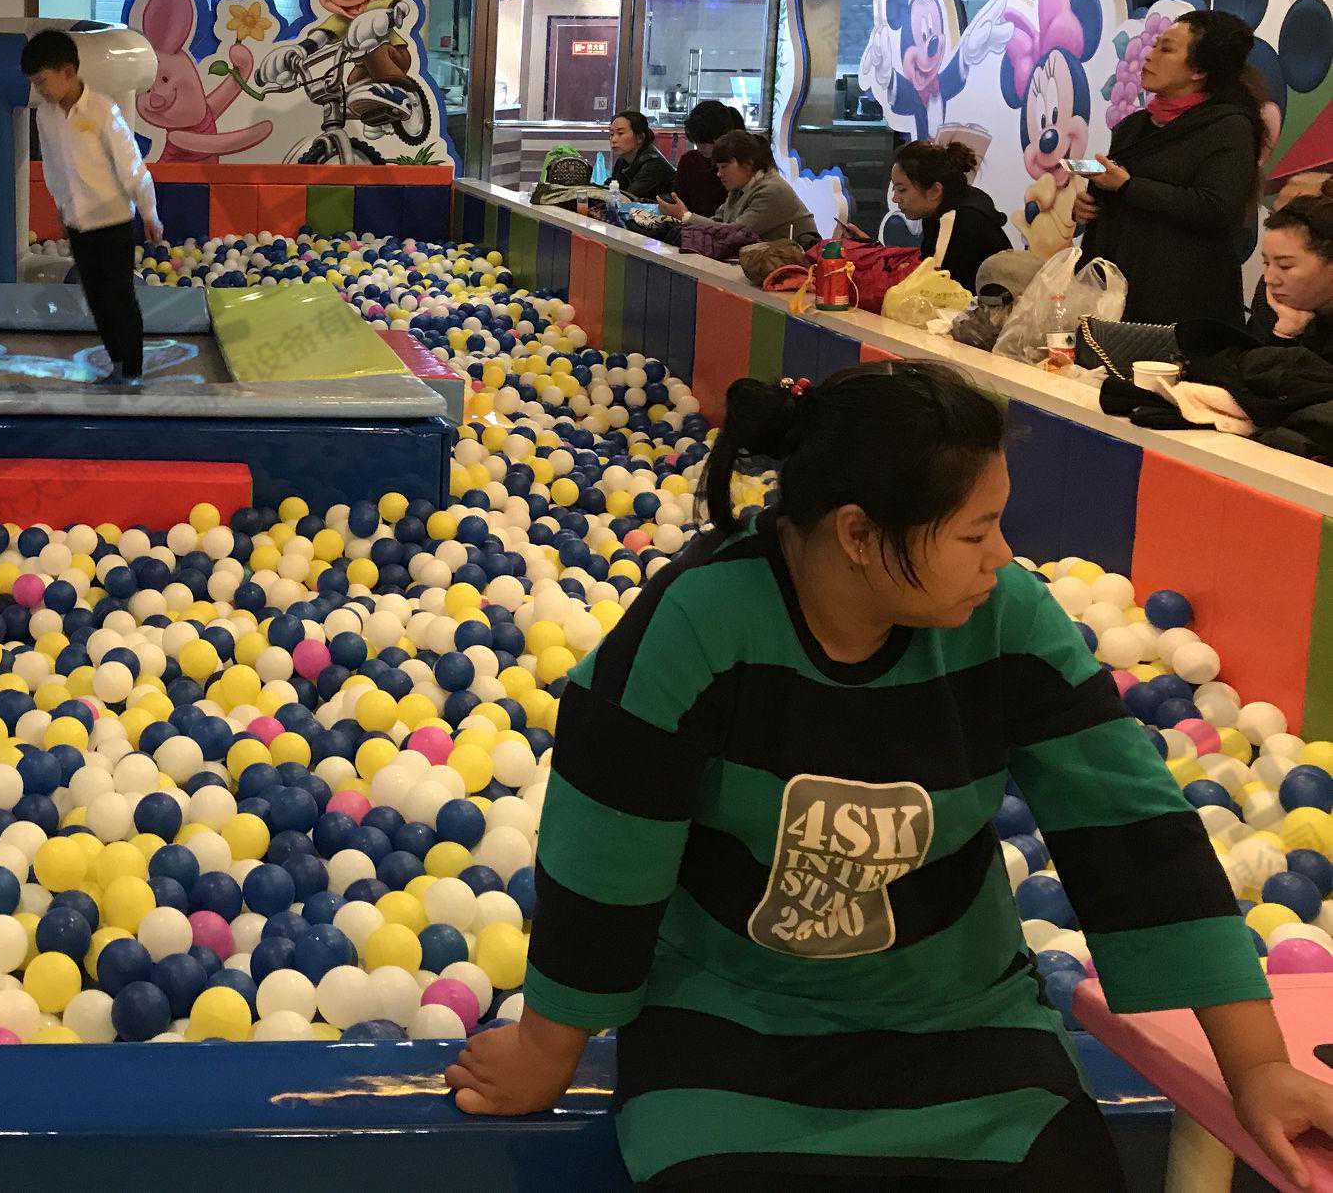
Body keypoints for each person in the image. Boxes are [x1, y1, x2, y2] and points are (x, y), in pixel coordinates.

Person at [445, 361, 1333, 1188]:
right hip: (730, 1024)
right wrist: (547, 1049)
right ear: (859, 534)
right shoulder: (698, 624)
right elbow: (605, 853)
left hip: (959, 1020)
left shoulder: (1004, 618)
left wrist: (1256, 1066)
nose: (1000, 555)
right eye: (975, 531)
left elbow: (1134, 833)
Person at [1077, 9, 1267, 327]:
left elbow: (1216, 208)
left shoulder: (1229, 127)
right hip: (1118, 290)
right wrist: (1090, 205)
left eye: (1166, 49)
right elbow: (1121, 196)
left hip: (1184, 302)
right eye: (1154, 45)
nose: (1149, 56)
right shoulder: (1134, 125)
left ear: (1199, 70)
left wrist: (1128, 186)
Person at [24, 29, 162, 385]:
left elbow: (130, 163)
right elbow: (53, 166)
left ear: (67, 72)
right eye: (35, 84)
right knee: (97, 298)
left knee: (120, 296)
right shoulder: (46, 116)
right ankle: (117, 364)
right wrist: (61, 207)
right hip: (79, 222)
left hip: (113, 220)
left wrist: (149, 211)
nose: (40, 90)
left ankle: (132, 369)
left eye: (42, 81)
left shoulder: (101, 109)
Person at [889, 138, 1011, 289]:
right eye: (894, 189)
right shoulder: (942, 209)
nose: (895, 198)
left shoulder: (962, 222)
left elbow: (939, 290)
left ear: (935, 191)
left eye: (901, 190)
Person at [660, 130, 815, 243]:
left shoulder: (772, 190)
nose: (719, 174)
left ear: (748, 164)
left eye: (724, 167)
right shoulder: (739, 188)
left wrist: (686, 216)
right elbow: (718, 222)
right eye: (718, 168)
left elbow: (735, 233)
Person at [1256, 193, 1333, 358]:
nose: (1269, 279)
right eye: (1266, 263)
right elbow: (1248, 367)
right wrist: (1284, 332)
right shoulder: (1269, 299)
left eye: (1285, 266)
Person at [672, 100, 744, 219]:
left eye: (705, 142)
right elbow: (678, 200)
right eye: (697, 142)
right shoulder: (689, 161)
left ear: (721, 136)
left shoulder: (739, 167)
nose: (700, 147)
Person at [606, 112, 676, 202]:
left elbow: (629, 198)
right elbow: (612, 187)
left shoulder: (654, 164)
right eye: (612, 134)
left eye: (620, 133)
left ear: (640, 137)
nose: (613, 140)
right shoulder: (622, 160)